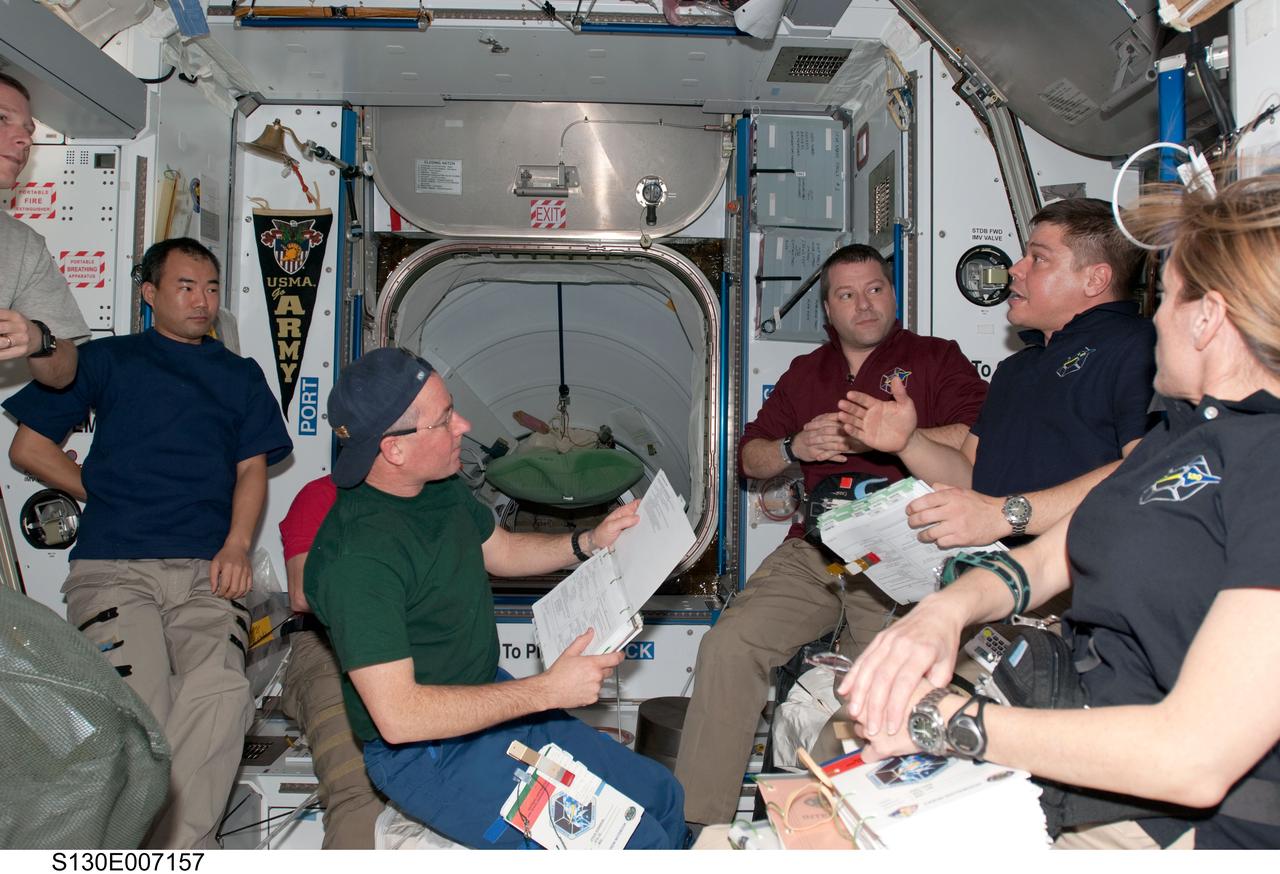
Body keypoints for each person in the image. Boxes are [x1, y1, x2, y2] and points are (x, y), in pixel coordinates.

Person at [840, 175, 1280, 850]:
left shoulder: (1268, 460)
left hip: (1185, 823)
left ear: (1209, 316)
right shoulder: (1184, 434)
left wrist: (951, 723)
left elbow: (1194, 759)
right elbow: (1059, 550)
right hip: (1082, 753)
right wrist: (944, 612)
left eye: (1167, 299)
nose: (1153, 315)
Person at [305, 347, 688, 849]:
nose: (463, 425)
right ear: (393, 448)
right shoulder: (357, 559)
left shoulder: (433, 485)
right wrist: (548, 691)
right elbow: (399, 718)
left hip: (493, 698)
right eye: (444, 420)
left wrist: (588, 543)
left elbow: (499, 548)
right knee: (631, 843)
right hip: (429, 752)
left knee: (661, 796)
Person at [674, 244, 989, 825]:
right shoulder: (805, 373)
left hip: (904, 547)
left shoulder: (936, 359)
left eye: (875, 289)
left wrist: (886, 437)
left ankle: (834, 834)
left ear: (893, 295)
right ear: (828, 309)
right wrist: (794, 447)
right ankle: (697, 826)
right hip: (818, 549)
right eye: (847, 294)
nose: (864, 304)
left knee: (869, 684)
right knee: (727, 646)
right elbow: (750, 456)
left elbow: (975, 437)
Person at [3, 237, 293, 848]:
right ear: (150, 294)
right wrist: (100, 489)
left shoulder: (239, 375)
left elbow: (251, 469)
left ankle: (173, 851)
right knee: (142, 709)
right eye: (186, 287)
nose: (202, 300)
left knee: (222, 691)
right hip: (113, 570)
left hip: (207, 573)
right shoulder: (107, 361)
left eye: (212, 288)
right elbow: (28, 448)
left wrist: (238, 546)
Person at [841, 198, 1155, 549]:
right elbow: (969, 474)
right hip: (1000, 575)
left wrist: (1005, 515)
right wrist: (908, 443)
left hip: (1076, 581)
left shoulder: (1140, 348)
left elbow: (1145, 471)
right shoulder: (1017, 369)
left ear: (1095, 279)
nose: (1015, 270)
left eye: (1038, 259)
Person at [278, 475, 384, 849]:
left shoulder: (441, 502)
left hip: (413, 650)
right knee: (362, 790)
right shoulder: (324, 496)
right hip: (329, 649)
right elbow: (305, 591)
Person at [0, 71, 91, 388]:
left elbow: (64, 370)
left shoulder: (21, 244)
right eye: (1, 118)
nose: (24, 139)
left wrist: (39, 339)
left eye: (28, 131)